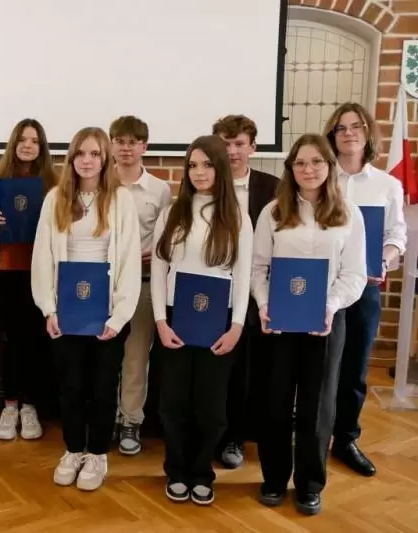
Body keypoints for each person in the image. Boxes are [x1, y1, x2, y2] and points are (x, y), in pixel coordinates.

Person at [252, 133, 366, 516]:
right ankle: (273, 478)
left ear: (329, 167)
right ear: (291, 169)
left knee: (318, 407)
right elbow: (258, 268)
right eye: (300, 162)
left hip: (326, 323)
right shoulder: (273, 212)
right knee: (276, 402)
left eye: (317, 161)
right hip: (279, 325)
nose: (308, 169)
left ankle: (309, 485)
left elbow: (354, 274)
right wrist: (264, 304)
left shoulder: (349, 214)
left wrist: (329, 307)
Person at [31, 126, 142, 491]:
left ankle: (97, 454)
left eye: (95, 153)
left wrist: (119, 315)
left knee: (103, 386)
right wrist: (49, 308)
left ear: (105, 159)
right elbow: (42, 256)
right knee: (71, 386)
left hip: (107, 313)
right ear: (71, 158)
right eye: (80, 153)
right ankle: (73, 449)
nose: (87, 160)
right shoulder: (55, 198)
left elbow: (129, 259)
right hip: (66, 312)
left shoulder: (121, 199)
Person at [151, 135, 253, 505]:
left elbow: (243, 275)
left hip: (218, 321)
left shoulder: (237, 216)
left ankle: (201, 472)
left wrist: (236, 325)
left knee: (210, 406)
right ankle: (176, 469)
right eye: (192, 165)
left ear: (220, 168)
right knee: (173, 402)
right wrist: (161, 321)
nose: (199, 172)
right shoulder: (172, 213)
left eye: (207, 164)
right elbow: (160, 270)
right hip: (176, 318)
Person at [323, 103, 407, 477]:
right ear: (332, 136)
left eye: (355, 126)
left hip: (365, 289)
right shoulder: (320, 178)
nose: (348, 133)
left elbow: (396, 236)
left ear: (368, 132)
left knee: (355, 367)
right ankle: (312, 435)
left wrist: (384, 261)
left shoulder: (386, 185)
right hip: (322, 287)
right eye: (341, 128)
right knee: (319, 367)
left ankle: (345, 439)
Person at [211, 114, 280, 469]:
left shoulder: (273, 188)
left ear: (253, 147)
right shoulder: (205, 182)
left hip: (256, 292)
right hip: (212, 289)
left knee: (247, 370)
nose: (232, 151)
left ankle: (236, 436)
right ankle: (211, 432)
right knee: (214, 368)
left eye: (239, 144)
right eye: (225, 144)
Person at [0, 118, 58, 441]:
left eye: (34, 140)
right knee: (10, 341)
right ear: (13, 144)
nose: (28, 145)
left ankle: (30, 406)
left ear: (42, 147)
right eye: (22, 140)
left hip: (40, 272)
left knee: (35, 341)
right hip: (6, 270)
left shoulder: (54, 185)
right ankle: (9, 405)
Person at [109, 115, 172, 456]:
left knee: (135, 357)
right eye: (120, 141)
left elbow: (166, 240)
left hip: (144, 285)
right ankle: (105, 416)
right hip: (104, 286)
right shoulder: (101, 183)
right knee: (104, 355)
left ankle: (131, 420)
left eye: (133, 142)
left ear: (144, 146)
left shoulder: (160, 190)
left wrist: (152, 254)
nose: (126, 148)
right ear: (111, 145)